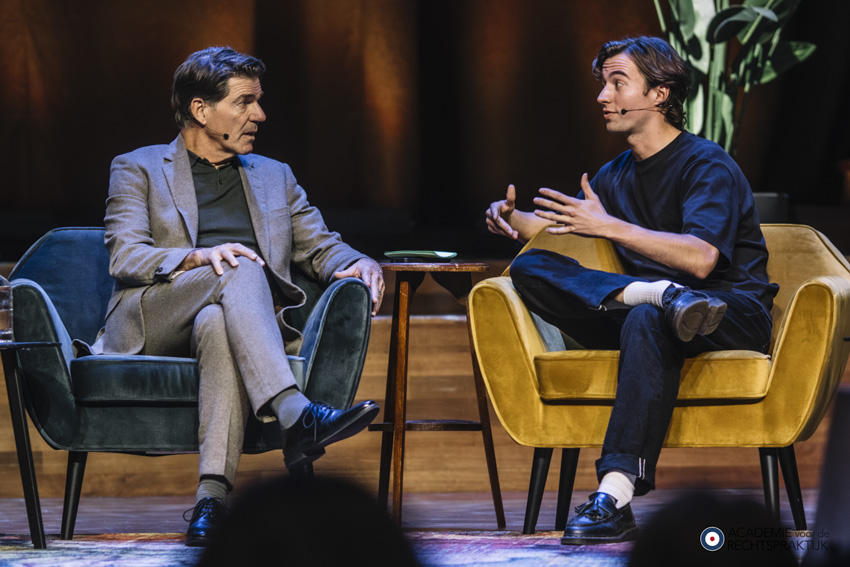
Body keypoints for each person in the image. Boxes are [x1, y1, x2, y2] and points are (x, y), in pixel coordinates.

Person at [485, 36, 777, 545]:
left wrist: (612, 227)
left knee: (648, 314)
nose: (603, 96)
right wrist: (511, 219)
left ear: (660, 93)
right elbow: (557, 229)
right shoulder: (614, 174)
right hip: (655, 314)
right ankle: (655, 294)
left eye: (618, 83)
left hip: (729, 311)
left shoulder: (705, 164)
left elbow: (702, 258)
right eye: (603, 84)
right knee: (530, 269)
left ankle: (613, 496)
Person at [90, 46, 386, 547]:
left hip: (234, 321)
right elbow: (126, 255)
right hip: (155, 318)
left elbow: (321, 247)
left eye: (258, 101)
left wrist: (360, 261)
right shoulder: (138, 167)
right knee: (241, 264)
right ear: (201, 110)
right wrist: (199, 257)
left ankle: (210, 501)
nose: (260, 115)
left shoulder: (274, 176)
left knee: (216, 321)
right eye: (245, 102)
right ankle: (295, 412)